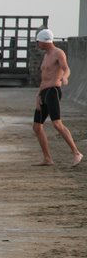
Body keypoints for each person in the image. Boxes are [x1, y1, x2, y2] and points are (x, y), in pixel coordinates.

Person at [32, 29, 83, 167]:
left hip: (53, 91)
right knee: (37, 127)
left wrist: (64, 77)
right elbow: (44, 77)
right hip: (44, 92)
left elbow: (66, 68)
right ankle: (48, 159)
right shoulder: (46, 55)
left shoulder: (58, 53)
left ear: (44, 41)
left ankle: (76, 153)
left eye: (38, 41)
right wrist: (38, 95)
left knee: (57, 124)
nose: (37, 44)